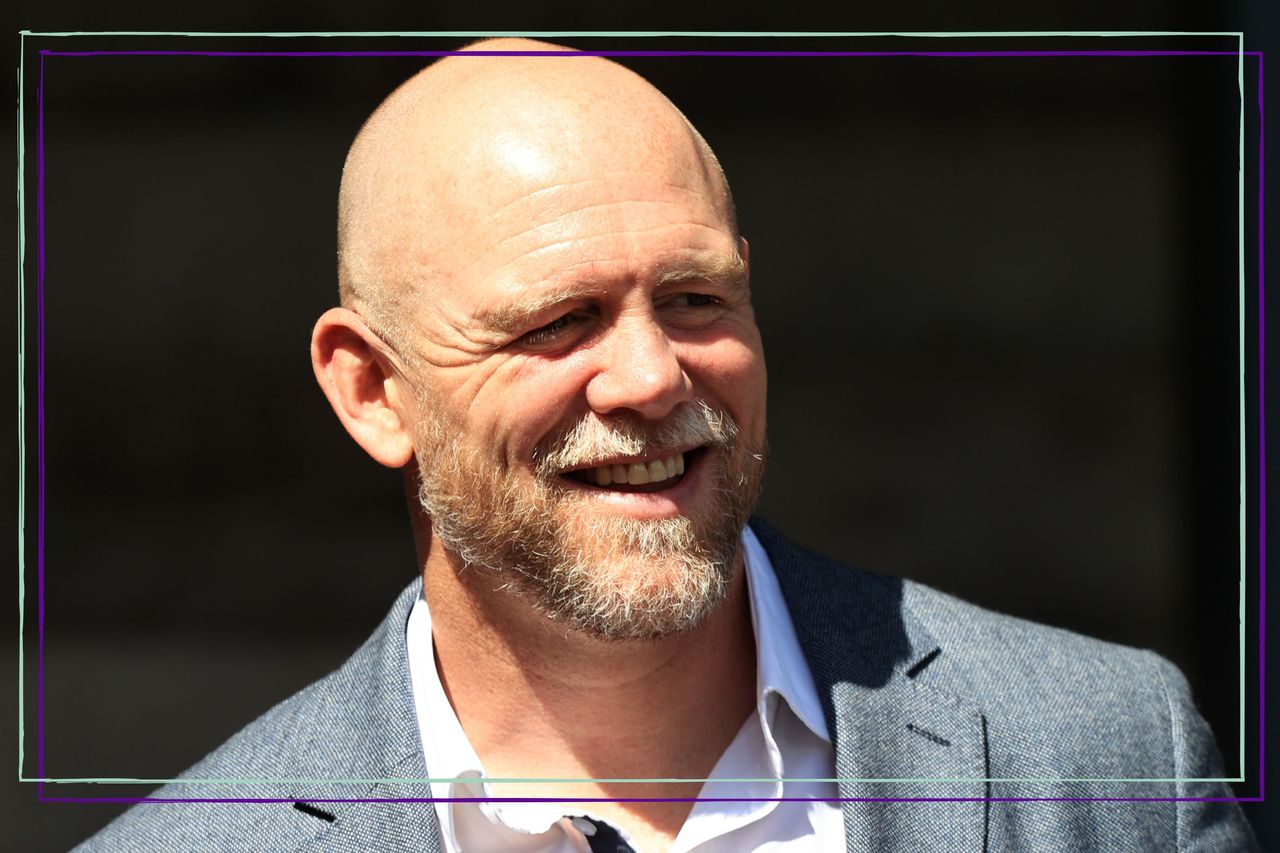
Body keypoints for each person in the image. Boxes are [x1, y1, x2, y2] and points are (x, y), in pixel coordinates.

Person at [80, 38, 1256, 852]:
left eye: (696, 299)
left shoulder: (1106, 760)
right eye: (557, 322)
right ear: (373, 389)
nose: (650, 377)